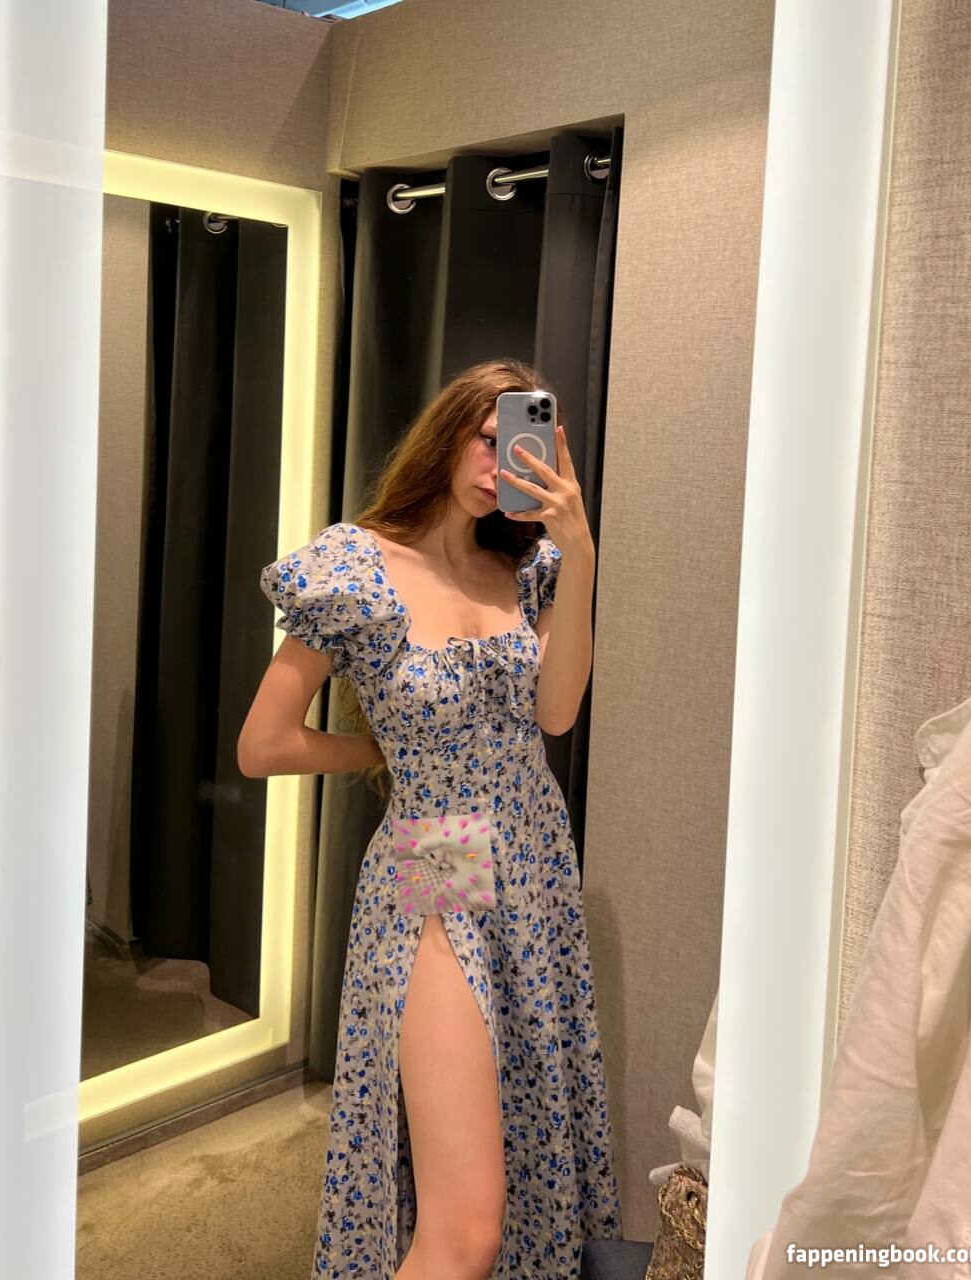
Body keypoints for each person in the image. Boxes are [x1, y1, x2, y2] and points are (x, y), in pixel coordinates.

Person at [239, 359, 621, 1280]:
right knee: (467, 1227)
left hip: (534, 856)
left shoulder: (526, 567)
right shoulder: (357, 566)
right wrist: (385, 753)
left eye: (522, 443)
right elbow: (264, 744)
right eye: (488, 440)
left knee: (523, 1161)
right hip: (439, 849)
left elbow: (556, 712)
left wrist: (579, 552)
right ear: (449, 432)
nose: (502, 463)